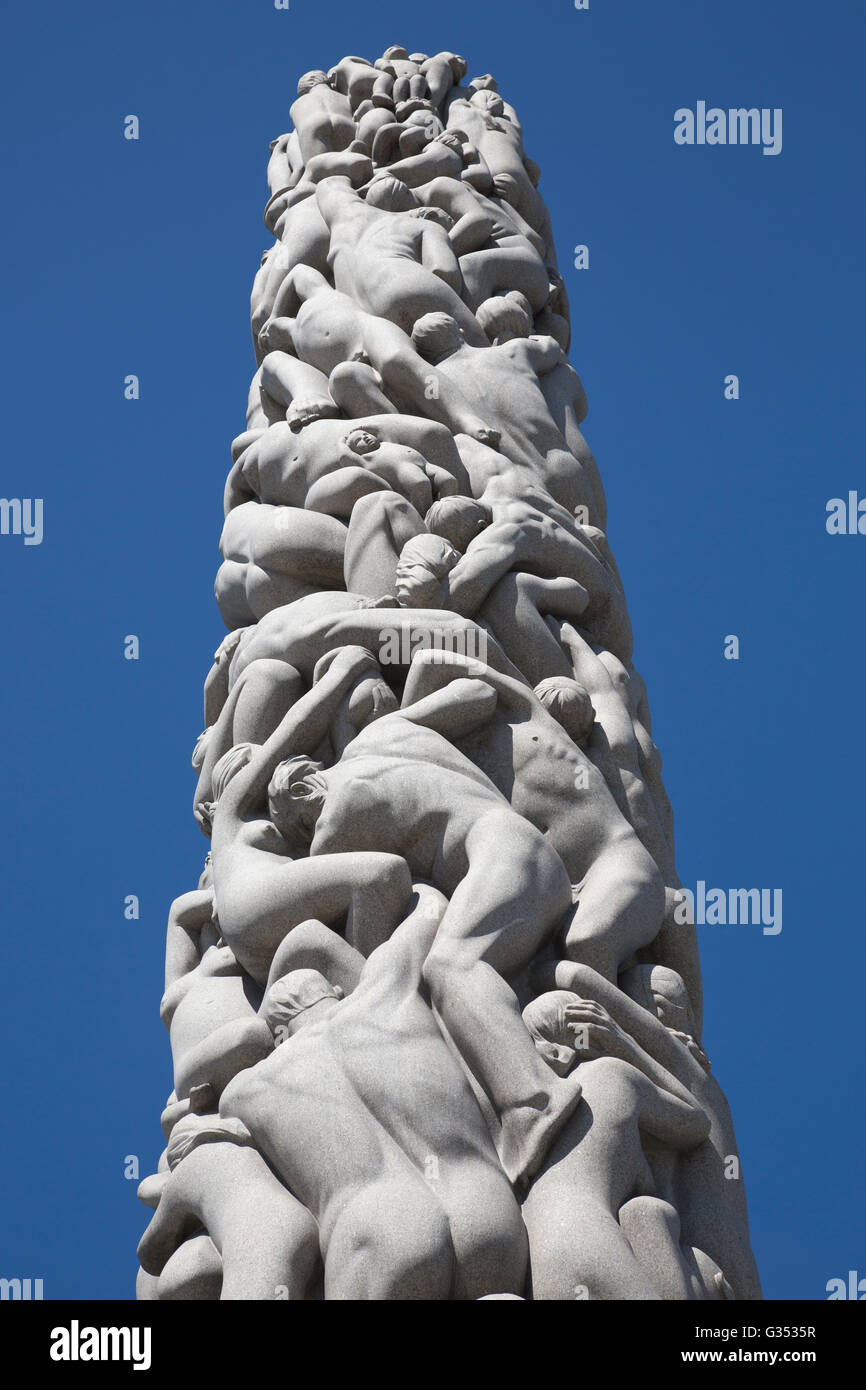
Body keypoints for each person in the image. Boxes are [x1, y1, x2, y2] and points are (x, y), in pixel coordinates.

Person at [268, 671, 583, 1184]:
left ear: (303, 798)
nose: (304, 836)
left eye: (295, 826)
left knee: (451, 966)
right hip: (520, 848)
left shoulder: (330, 831)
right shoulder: (381, 734)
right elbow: (477, 693)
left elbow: (369, 966)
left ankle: (533, 1100)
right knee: (466, 968)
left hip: (500, 859)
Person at [221, 895, 528, 1299]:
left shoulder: (248, 1090)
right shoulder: (387, 988)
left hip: (377, 1229)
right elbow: (430, 905)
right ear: (334, 988)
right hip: (485, 1208)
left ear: (276, 1033)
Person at [400, 649, 666, 983]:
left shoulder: (532, 714)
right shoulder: (464, 754)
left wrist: (401, 724)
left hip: (615, 863)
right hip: (548, 886)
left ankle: (610, 1029)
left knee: (586, 944)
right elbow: (427, 660)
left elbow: (430, 660)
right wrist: (407, 727)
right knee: (536, 975)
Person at [530, 957, 759, 1298]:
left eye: (658, 1005)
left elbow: (573, 974)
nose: (643, 1010)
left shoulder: (694, 1074)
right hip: (667, 1257)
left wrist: (540, 961)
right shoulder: (612, 1082)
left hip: (712, 1267)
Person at [209, 644, 413, 983]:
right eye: (253, 757)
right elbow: (293, 729)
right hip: (252, 904)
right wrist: (340, 674)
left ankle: (358, 986)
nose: (264, 757)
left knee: (376, 884)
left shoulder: (283, 810)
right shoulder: (232, 811)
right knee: (381, 875)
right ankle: (376, 996)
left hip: (266, 921)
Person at [138, 1113, 321, 1301]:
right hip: (290, 1222)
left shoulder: (191, 1167)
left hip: (256, 1239)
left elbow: (149, 1253)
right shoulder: (247, 1152)